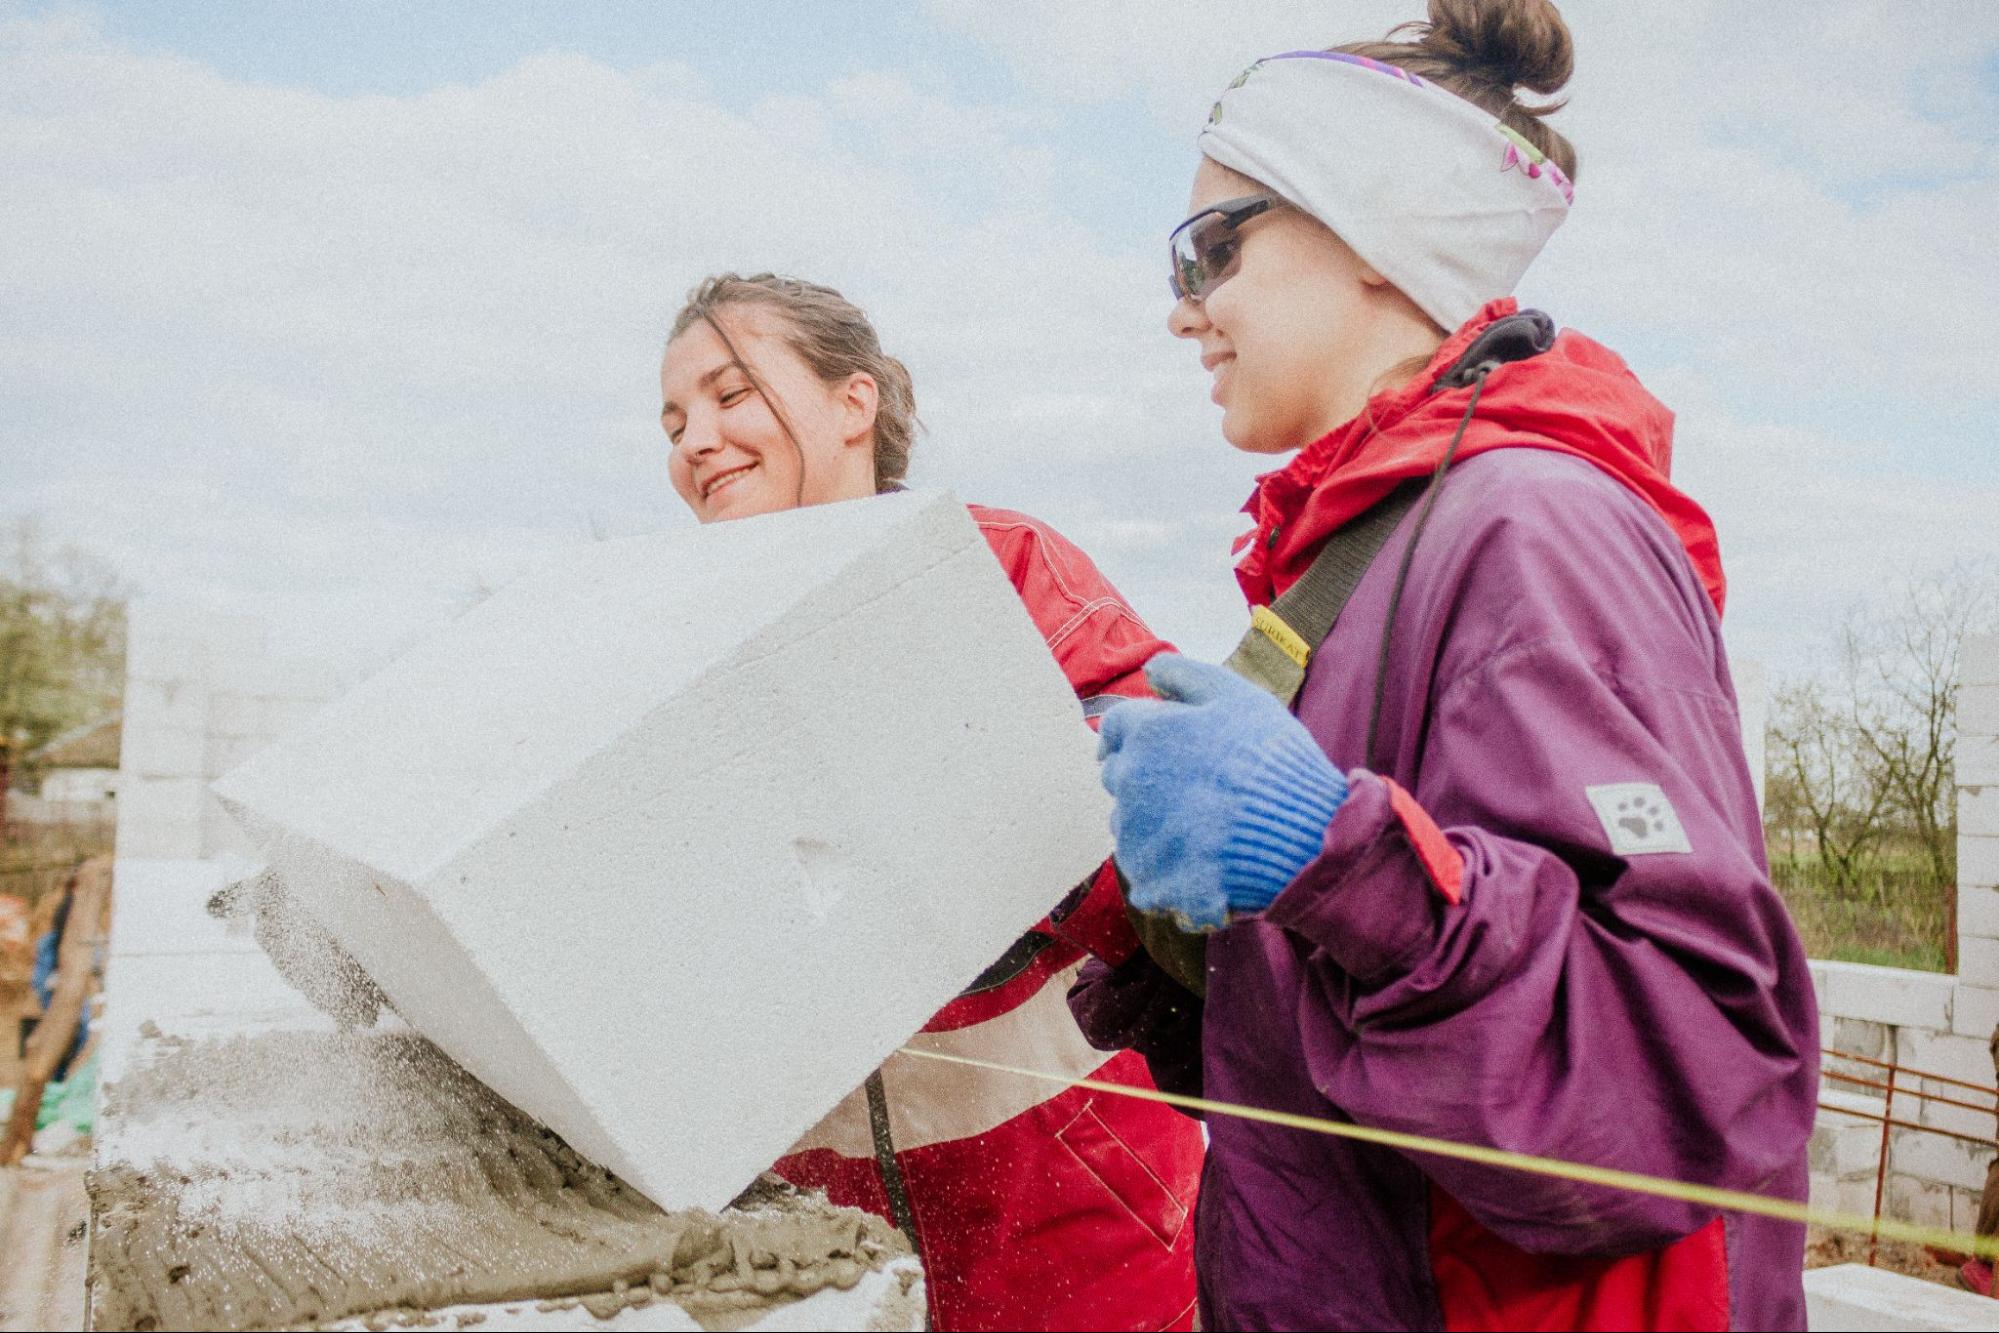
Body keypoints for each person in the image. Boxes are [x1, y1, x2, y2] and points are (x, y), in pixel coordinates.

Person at [1077, 3, 1820, 1329]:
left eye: (1209, 248)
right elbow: (1356, 1054)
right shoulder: (1358, 556)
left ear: (1367, 236)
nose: (1179, 309)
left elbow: (1685, 1076)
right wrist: (1146, 935)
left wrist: (1330, 857)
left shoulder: (1532, 527)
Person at [658, 272, 1202, 1333]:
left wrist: (1005, 860)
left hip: (1071, 1203)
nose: (695, 440)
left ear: (852, 405)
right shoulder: (677, 646)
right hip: (824, 1250)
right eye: (674, 420)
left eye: (731, 396)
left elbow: (1152, 783)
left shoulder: (997, 566)